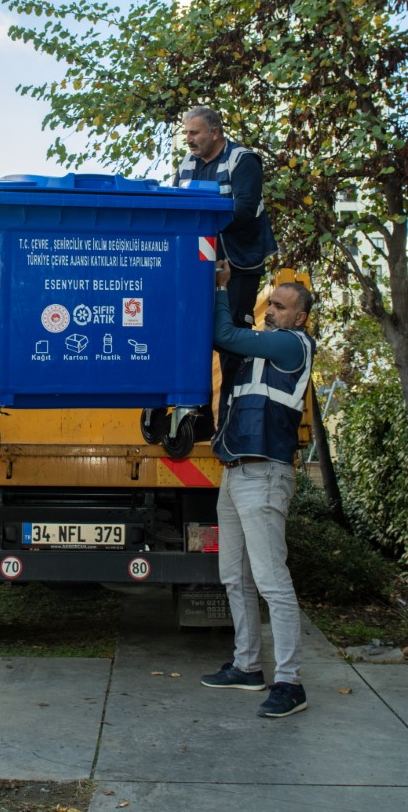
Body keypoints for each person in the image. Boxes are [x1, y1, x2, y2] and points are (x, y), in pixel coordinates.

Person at [201, 258, 313, 719]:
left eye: (282, 307)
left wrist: (223, 288)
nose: (273, 312)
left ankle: (290, 681)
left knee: (272, 582)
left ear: (300, 318)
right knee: (235, 576)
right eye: (273, 306)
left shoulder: (292, 346)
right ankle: (247, 666)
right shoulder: (261, 352)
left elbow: (224, 336)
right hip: (235, 473)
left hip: (265, 473)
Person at [176, 106, 277, 427]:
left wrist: (203, 218)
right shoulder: (187, 164)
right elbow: (177, 208)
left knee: (231, 338)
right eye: (186, 133)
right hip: (198, 265)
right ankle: (199, 417)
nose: (188, 139)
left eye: (194, 133)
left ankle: (231, 422)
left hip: (240, 263)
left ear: (215, 132)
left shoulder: (243, 161)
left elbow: (245, 210)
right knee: (195, 335)